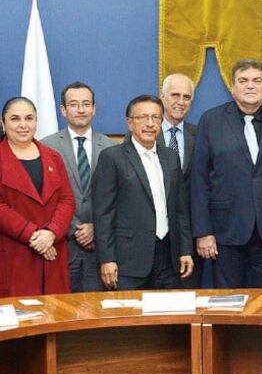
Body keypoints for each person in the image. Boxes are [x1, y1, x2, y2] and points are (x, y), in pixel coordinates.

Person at [190, 59, 262, 288]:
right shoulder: (211, 121)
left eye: (257, 81)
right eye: (243, 81)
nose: (250, 86)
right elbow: (199, 180)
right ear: (232, 88)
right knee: (228, 305)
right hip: (224, 232)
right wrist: (203, 231)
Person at [92, 95, 193, 290]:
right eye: (142, 118)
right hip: (128, 260)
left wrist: (185, 250)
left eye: (156, 118)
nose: (150, 124)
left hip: (168, 257)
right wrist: (107, 259)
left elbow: (180, 210)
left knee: (168, 317)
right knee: (131, 318)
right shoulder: (112, 157)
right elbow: (103, 214)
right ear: (129, 123)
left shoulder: (171, 157)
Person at [42, 82, 116, 292]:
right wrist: (75, 228)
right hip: (61, 244)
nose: (81, 109)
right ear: (63, 110)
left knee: (97, 311)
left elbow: (116, 198)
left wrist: (95, 226)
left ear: (94, 108)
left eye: (86, 104)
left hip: (100, 246)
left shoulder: (111, 148)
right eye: (74, 104)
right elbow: (47, 197)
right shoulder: (46, 147)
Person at [0, 97, 75, 296]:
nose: (23, 125)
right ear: (3, 123)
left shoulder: (53, 157)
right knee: (21, 320)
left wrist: (51, 233)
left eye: (29, 118)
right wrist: (34, 236)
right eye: (15, 119)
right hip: (15, 256)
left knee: (55, 316)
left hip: (53, 253)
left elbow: (66, 200)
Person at [158, 73, 201, 288]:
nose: (180, 102)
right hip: (154, 236)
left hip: (191, 236)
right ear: (162, 96)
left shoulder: (200, 134)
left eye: (186, 97)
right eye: (175, 95)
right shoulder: (145, 133)